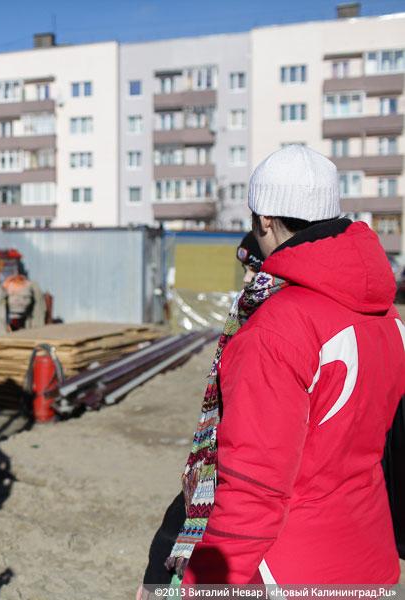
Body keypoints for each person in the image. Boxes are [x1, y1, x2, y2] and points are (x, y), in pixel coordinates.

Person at [170, 145, 403, 585]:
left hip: (290, 571)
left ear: (264, 221)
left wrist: (205, 588)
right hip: (370, 559)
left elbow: (253, 487)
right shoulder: (388, 319)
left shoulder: (277, 328)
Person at [138, 233, 266, 594]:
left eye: (253, 268)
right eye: (243, 269)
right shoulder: (244, 325)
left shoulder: (267, 338)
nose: (244, 280)